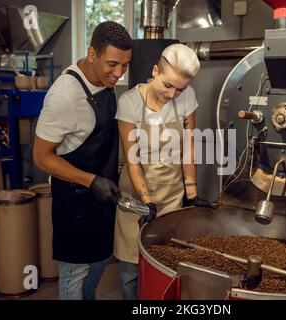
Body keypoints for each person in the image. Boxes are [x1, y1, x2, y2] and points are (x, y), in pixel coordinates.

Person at [33, 21, 132, 300]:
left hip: (103, 196)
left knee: (99, 262)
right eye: (112, 64)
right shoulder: (65, 95)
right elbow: (41, 157)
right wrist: (91, 180)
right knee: (75, 274)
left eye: (125, 66)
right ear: (92, 54)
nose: (119, 74)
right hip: (75, 200)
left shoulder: (106, 82)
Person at [113, 43, 216, 300]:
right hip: (136, 197)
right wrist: (146, 201)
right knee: (130, 268)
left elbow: (188, 147)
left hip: (171, 195)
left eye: (179, 88)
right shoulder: (129, 103)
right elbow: (132, 159)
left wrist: (191, 192)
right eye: (167, 85)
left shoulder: (186, 97)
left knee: (167, 262)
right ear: (155, 71)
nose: (172, 94)